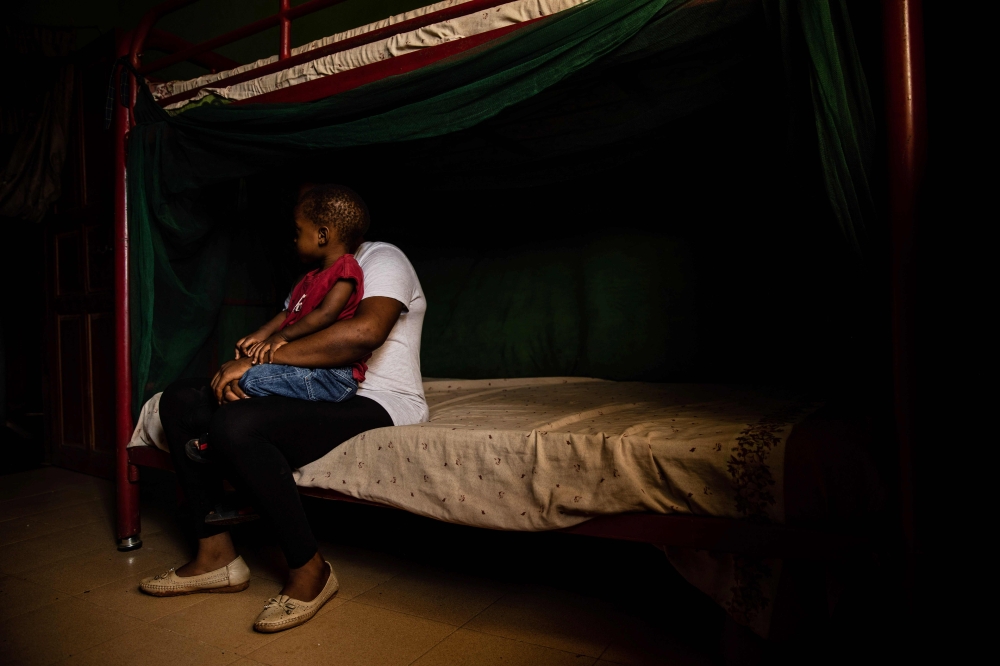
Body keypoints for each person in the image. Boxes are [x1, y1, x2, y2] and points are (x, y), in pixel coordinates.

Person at [138, 183, 428, 634]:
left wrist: (256, 364)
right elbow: (286, 324)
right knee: (180, 399)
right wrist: (248, 370)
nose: (294, 235)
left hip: (378, 398)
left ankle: (311, 569)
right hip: (309, 383)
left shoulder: (381, 258)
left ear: (326, 229)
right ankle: (215, 556)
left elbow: (363, 335)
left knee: (237, 425)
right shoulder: (313, 275)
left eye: (301, 225)